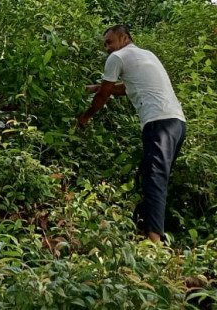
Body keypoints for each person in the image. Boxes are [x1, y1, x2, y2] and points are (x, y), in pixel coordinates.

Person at [77, 25, 187, 243]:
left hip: (158, 123)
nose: (107, 48)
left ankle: (155, 242)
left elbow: (105, 95)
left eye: (110, 42)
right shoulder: (146, 55)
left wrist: (85, 116)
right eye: (105, 44)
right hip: (177, 123)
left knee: (154, 178)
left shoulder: (118, 57)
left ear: (124, 38)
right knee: (150, 175)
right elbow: (130, 87)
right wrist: (98, 87)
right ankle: (142, 228)